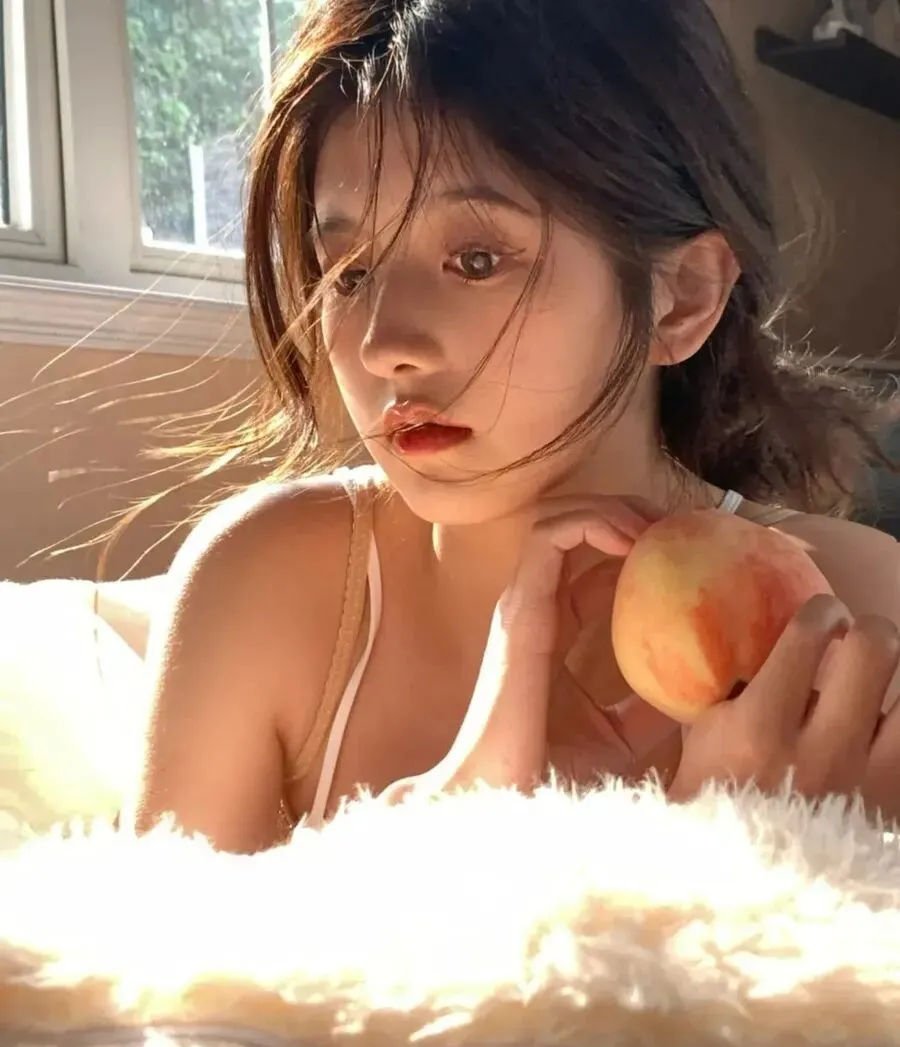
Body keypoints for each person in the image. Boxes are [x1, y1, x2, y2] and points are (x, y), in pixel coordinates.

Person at [127, 0, 900, 852]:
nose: (383, 345)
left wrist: (780, 852)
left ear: (681, 297)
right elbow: (149, 938)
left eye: (477, 260)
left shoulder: (856, 614)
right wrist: (472, 822)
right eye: (347, 272)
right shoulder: (266, 585)